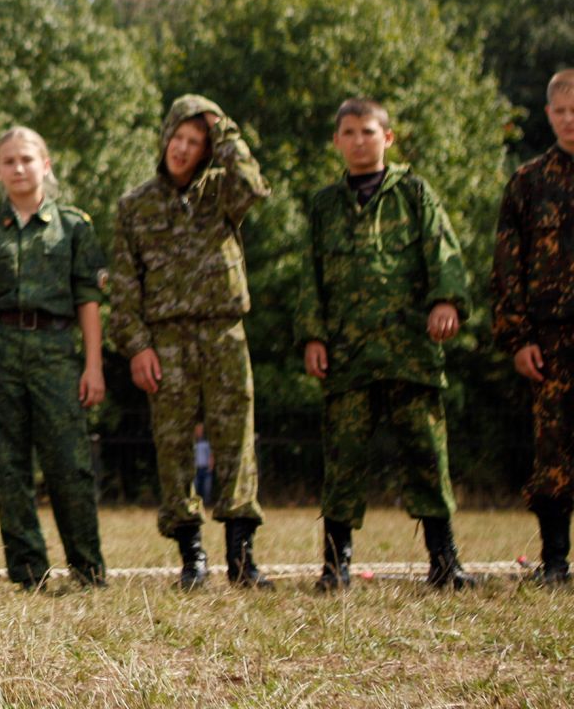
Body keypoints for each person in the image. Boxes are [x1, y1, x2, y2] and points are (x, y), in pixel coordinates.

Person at [297, 97, 473, 591]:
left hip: (409, 350)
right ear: (336, 142)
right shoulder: (325, 206)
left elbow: (444, 251)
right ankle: (335, 567)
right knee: (344, 461)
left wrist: (447, 301)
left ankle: (444, 562)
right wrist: (312, 334)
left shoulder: (414, 193)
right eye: (349, 132)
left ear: (388, 139)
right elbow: (310, 277)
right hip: (348, 356)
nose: (358, 140)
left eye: (368, 131)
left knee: (426, 455)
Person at [108, 94, 270, 590]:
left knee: (235, 438)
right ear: (164, 140)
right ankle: (191, 556)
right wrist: (137, 347)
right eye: (177, 138)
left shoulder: (223, 191)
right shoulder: (134, 205)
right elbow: (123, 284)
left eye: (194, 142)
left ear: (207, 148)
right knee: (173, 445)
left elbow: (255, 187)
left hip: (223, 329)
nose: (182, 149)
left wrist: (224, 130)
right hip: (166, 339)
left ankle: (241, 556)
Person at [0, 126, 107, 591]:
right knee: (9, 466)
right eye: (9, 162)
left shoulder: (75, 226)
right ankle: (28, 574)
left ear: (46, 165)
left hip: (56, 352)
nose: (18, 169)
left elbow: (88, 302)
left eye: (27, 159)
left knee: (70, 464)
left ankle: (88, 570)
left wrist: (94, 365)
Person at [492, 68, 574, 589]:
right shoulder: (529, 181)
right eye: (563, 111)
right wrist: (518, 339)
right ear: (548, 115)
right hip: (551, 342)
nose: (571, 120)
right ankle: (555, 561)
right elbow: (506, 267)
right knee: (554, 453)